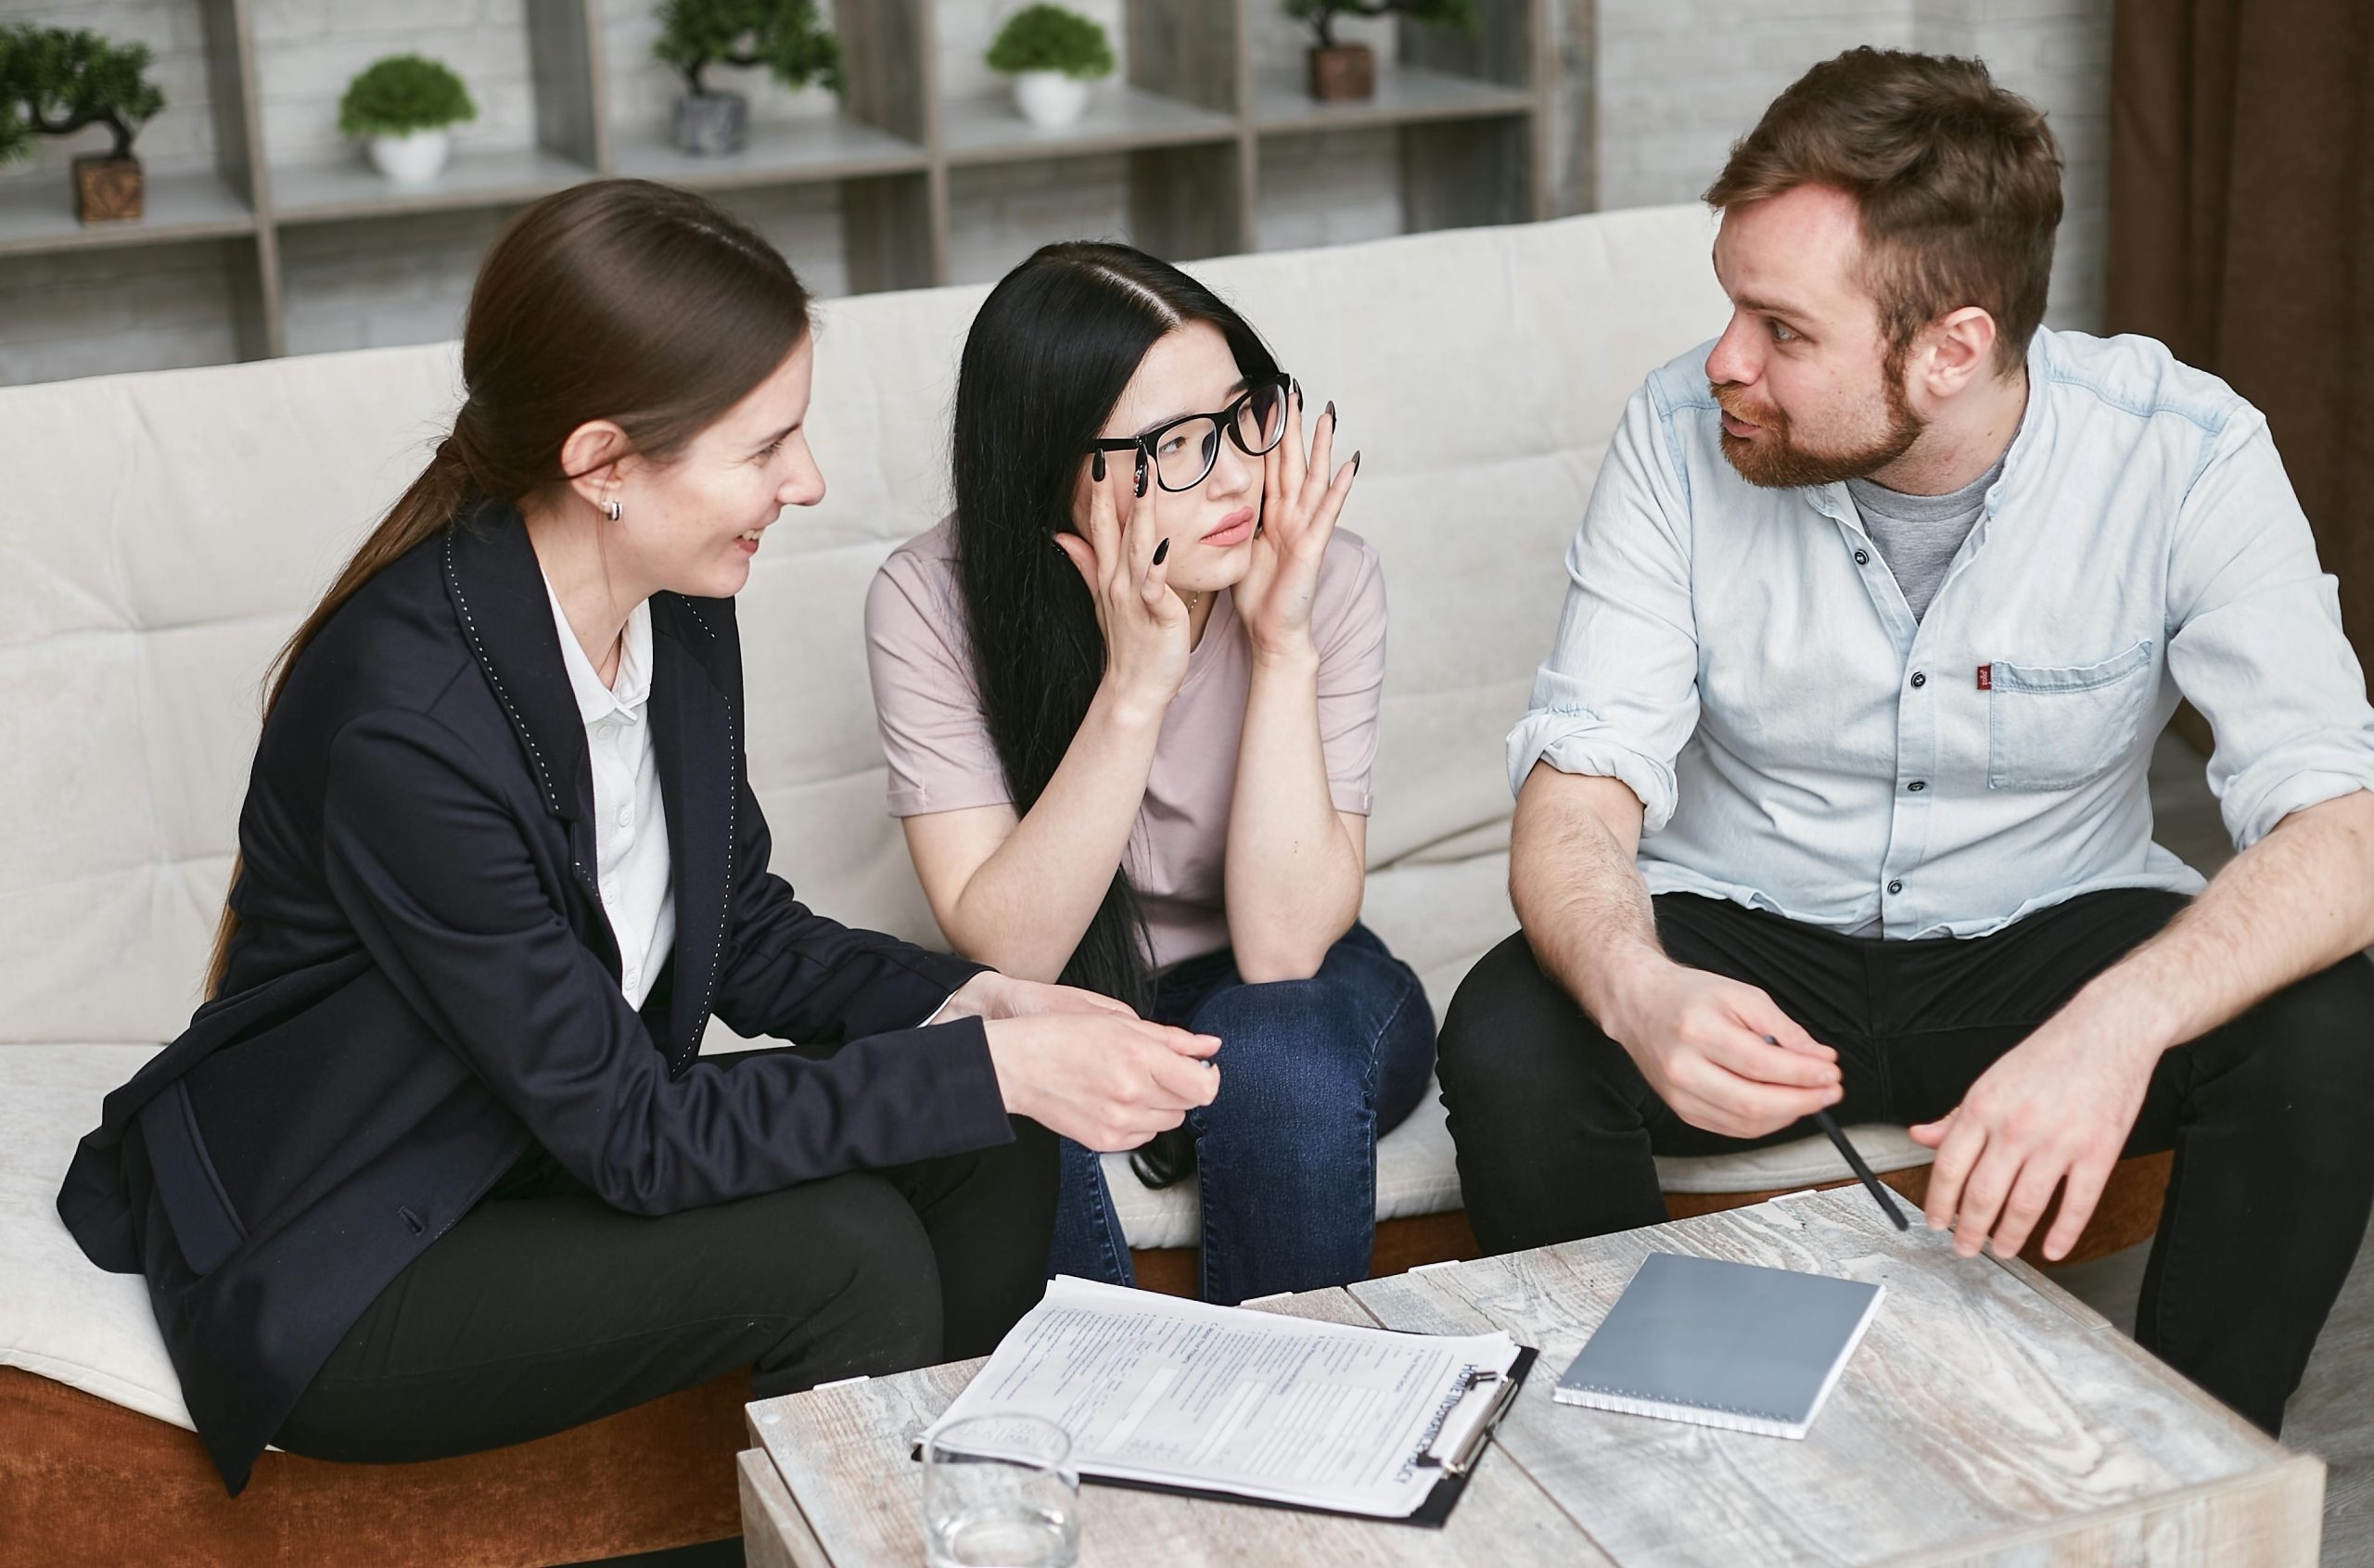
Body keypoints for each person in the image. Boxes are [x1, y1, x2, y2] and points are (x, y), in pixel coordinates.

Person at [54, 181, 1220, 1495]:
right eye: (765, 445)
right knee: (851, 1246)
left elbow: (742, 924)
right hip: (359, 1234)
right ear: (604, 463)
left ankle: (961, 1511)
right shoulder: (407, 720)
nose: (808, 479)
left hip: (533, 1139)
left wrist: (978, 1004)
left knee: (992, 1132)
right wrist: (991, 1060)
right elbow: (638, 1130)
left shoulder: (676, 597)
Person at [1435, 47, 2374, 1435]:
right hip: (1751, 930)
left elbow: (2344, 826)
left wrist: (2118, 1024)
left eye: (1782, 329)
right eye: (1729, 307)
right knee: (1515, 1025)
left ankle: (2185, 1462)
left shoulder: (2186, 452)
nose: (1725, 361)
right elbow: (1580, 790)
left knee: (2333, 1029)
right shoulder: (1676, 434)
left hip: (2049, 937)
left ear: (1952, 348)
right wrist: (1638, 986)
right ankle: (1655, 1452)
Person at [863, 241, 1436, 1305]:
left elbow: (1281, 950)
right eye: (1174, 444)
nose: (1232, 475)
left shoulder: (1325, 577)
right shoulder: (928, 603)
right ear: (1051, 465)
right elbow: (1012, 951)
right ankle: (1112, 1421)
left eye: (1242, 416)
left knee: (1283, 1058)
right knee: (994, 1088)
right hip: (1067, 982)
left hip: (1294, 984)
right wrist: (1134, 686)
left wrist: (1280, 645)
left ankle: (1295, 1425)